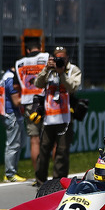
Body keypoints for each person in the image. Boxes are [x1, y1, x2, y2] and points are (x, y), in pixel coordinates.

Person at [33, 46, 82, 186]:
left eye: (63, 58)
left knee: (62, 151)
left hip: (65, 118)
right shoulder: (49, 71)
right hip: (49, 118)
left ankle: (58, 183)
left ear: (67, 58)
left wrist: (61, 74)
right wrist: (46, 69)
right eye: (57, 58)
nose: (60, 60)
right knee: (44, 150)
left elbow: (73, 87)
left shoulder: (73, 70)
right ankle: (40, 181)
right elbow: (37, 83)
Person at [15, 41, 49, 174]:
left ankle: (38, 175)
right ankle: (57, 176)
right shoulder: (46, 57)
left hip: (29, 103)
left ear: (27, 50)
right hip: (45, 101)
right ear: (40, 48)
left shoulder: (20, 63)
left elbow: (17, 85)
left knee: (34, 140)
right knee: (51, 138)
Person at [0, 66, 27, 182]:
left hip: (9, 113)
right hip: (11, 114)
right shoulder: (11, 79)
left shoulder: (7, 76)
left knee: (19, 143)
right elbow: (16, 101)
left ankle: (11, 171)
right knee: (13, 144)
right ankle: (10, 173)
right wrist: (31, 96)